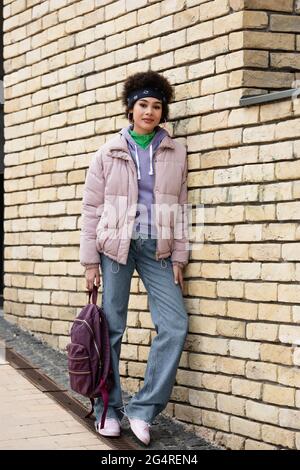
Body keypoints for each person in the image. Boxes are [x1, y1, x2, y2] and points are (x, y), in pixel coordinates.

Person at [79, 70, 189, 446]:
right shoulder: (107, 152)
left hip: (157, 245)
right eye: (143, 104)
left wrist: (179, 256)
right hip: (115, 247)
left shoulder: (176, 151)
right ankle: (108, 407)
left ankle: (143, 409)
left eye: (157, 106)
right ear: (130, 109)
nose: (150, 111)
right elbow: (92, 209)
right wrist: (90, 263)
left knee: (175, 325)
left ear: (163, 112)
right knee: (111, 327)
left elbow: (182, 206)